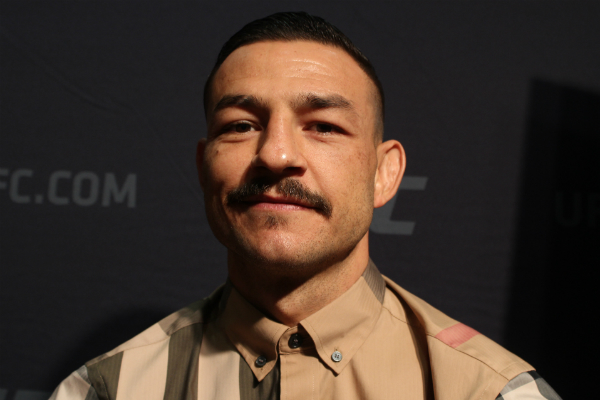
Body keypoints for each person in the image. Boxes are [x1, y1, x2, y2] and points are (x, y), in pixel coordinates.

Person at [50, 12, 561, 400]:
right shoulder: (106, 390)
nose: (276, 155)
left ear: (384, 174)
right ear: (204, 167)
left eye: (323, 126)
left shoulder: (490, 392)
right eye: (240, 125)